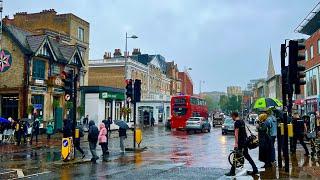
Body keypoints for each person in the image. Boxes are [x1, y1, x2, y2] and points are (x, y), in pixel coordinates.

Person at [225, 112, 258, 176]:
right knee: (244, 156)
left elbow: (236, 134)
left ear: (234, 116)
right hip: (244, 142)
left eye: (232, 117)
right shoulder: (242, 121)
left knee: (236, 156)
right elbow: (245, 132)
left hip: (240, 143)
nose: (232, 118)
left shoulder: (236, 123)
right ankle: (255, 169)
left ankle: (232, 172)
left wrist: (236, 144)